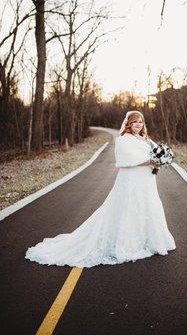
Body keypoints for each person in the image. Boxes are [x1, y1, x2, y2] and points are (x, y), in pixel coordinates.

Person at [25, 110, 176, 268]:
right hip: (131, 180)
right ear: (129, 124)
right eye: (135, 122)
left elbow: (154, 153)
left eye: (140, 121)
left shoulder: (145, 139)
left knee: (146, 207)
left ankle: (149, 239)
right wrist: (151, 161)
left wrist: (161, 159)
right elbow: (128, 159)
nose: (138, 124)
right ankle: (126, 243)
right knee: (128, 208)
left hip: (146, 180)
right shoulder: (123, 140)